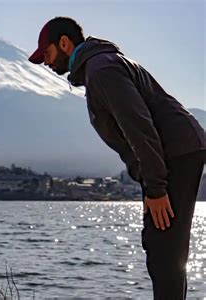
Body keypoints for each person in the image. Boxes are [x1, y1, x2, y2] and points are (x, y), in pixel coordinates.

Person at [28, 17, 205, 299]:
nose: (47, 63)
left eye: (47, 54)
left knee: (164, 249)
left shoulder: (102, 70)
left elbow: (139, 127)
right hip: (174, 152)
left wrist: (157, 187)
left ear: (65, 43)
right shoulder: (101, 65)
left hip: (176, 153)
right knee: (163, 248)